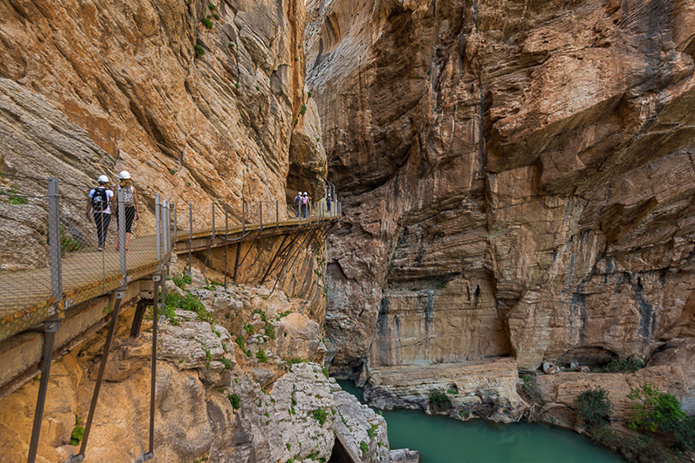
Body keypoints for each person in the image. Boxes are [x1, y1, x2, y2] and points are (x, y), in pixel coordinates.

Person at [86, 175, 114, 251]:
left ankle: (100, 244)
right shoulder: (109, 192)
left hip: (96, 212)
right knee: (104, 228)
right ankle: (102, 245)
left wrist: (87, 212)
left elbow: (90, 202)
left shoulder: (93, 191)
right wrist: (113, 211)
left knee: (99, 228)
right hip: (106, 212)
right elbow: (113, 202)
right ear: (106, 183)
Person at [114, 171, 140, 252]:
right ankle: (125, 247)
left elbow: (114, 200)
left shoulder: (117, 187)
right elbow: (136, 201)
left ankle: (119, 243)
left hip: (120, 208)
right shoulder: (132, 189)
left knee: (120, 226)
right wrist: (138, 212)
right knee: (128, 228)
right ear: (129, 179)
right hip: (130, 208)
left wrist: (113, 210)